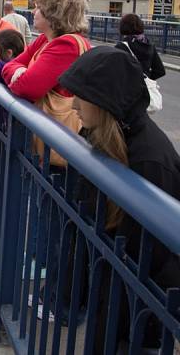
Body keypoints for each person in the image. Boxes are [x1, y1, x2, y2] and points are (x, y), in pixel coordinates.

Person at [58, 46, 180, 352]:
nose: (72, 103)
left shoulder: (149, 162)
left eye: (80, 95)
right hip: (117, 293)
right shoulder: (107, 134)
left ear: (104, 99)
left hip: (140, 308)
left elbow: (152, 258)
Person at [1, 0, 90, 166]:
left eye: (38, 7)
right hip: (47, 138)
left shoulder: (67, 46)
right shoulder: (45, 40)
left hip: (57, 145)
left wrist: (20, 74)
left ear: (53, 13)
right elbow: (8, 66)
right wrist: (19, 72)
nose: (33, 12)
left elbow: (27, 88)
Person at [114, 13, 165, 81]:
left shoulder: (121, 46)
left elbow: (114, 71)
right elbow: (160, 71)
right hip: (143, 89)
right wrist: (146, 78)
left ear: (123, 27)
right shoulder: (149, 45)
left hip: (127, 89)